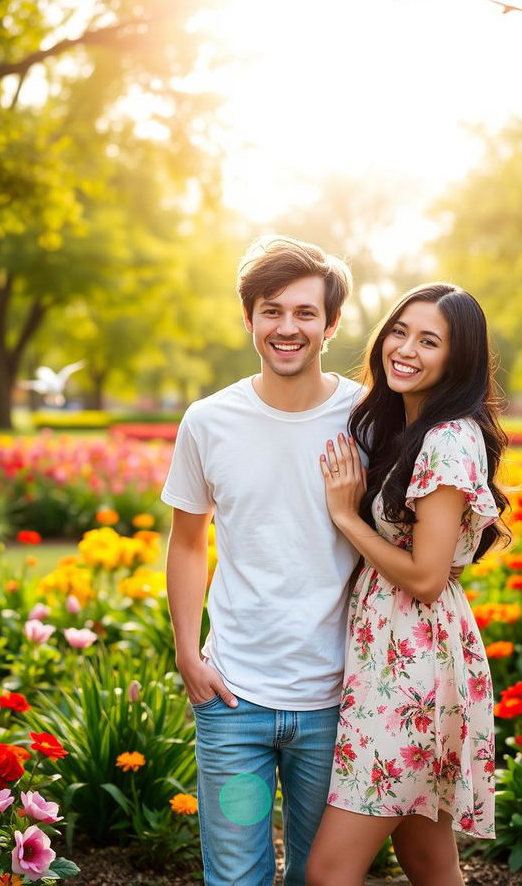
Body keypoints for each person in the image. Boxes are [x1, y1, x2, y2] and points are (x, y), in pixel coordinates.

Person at [161, 236, 363, 886]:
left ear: (331, 324)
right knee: (236, 878)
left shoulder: (365, 417)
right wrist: (188, 654)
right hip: (233, 704)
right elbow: (188, 540)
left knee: (321, 876)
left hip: (335, 703)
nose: (287, 327)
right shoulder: (209, 421)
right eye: (271, 311)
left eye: (305, 313)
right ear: (248, 318)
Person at [306, 283, 510, 886]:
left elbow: (424, 577)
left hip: (411, 674)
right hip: (399, 658)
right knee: (427, 862)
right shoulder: (413, 429)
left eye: (430, 341)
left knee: (328, 872)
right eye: (400, 331)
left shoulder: (448, 440)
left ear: (458, 359)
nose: (406, 349)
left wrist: (346, 517)